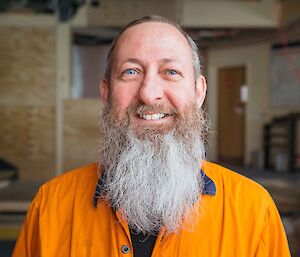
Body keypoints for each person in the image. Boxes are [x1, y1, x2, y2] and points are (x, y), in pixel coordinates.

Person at [13, 15, 290, 257]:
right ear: (106, 92)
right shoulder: (50, 205)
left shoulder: (254, 211)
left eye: (171, 72)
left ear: (198, 91)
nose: (149, 93)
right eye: (131, 71)